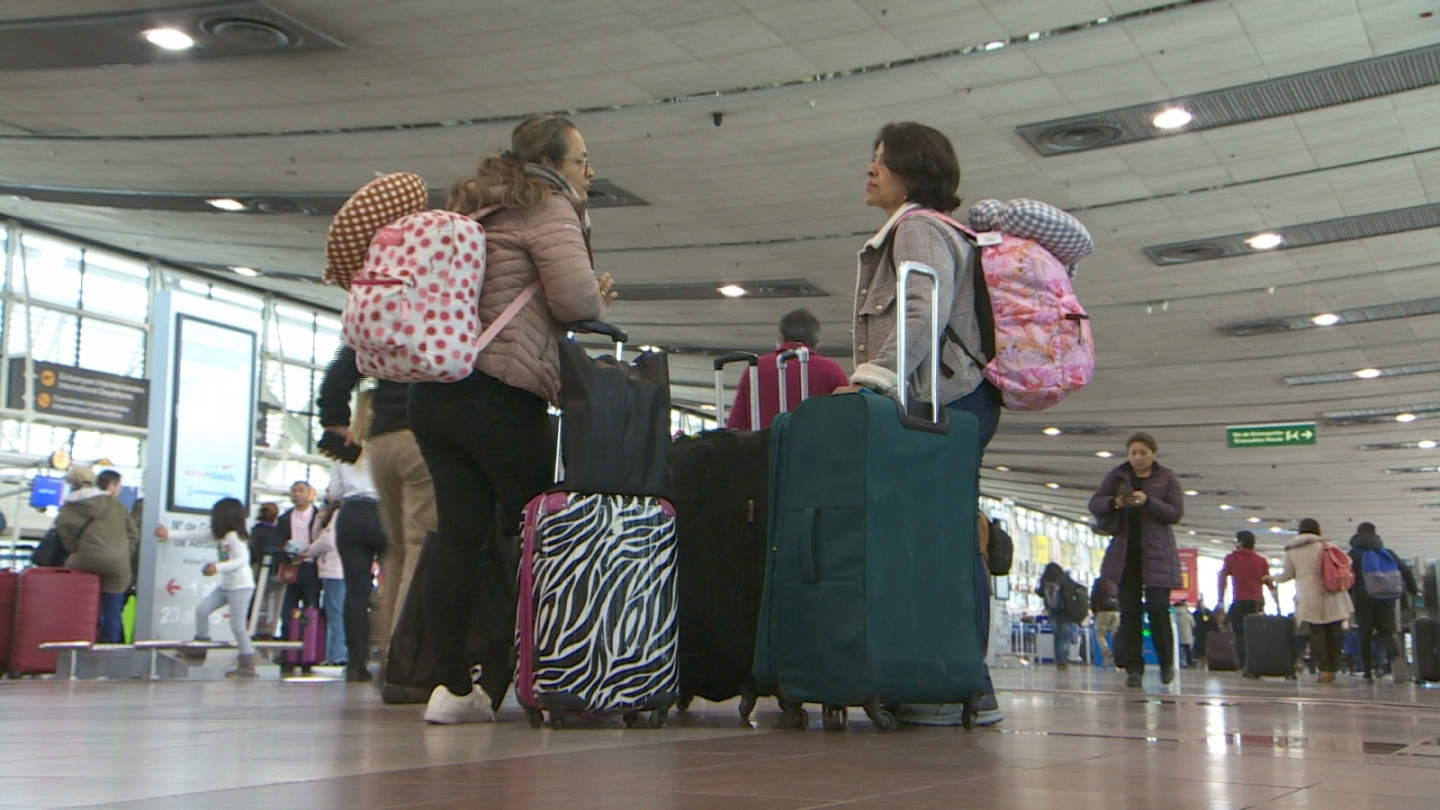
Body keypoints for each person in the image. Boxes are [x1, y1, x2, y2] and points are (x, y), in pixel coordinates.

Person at [411, 114, 613, 724]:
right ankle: (544, 675)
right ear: (551, 163)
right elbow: (575, 302)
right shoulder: (550, 207)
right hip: (498, 392)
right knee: (537, 534)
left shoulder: (476, 204)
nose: (588, 169)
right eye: (581, 158)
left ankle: (450, 689)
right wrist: (600, 293)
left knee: (458, 536)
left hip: (436, 390)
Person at [843, 122, 1003, 727]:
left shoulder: (917, 227)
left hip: (946, 401)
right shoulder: (919, 229)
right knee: (939, 533)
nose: (871, 169)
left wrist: (876, 375)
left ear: (914, 171)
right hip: (954, 399)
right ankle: (944, 674)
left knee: (945, 538)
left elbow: (922, 305)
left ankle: (966, 680)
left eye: (882, 160)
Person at [317, 347, 435, 659]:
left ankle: (382, 652)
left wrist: (333, 417)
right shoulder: (444, 304)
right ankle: (406, 656)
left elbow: (342, 365)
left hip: (382, 442)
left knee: (392, 556)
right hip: (422, 433)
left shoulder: (383, 306)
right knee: (419, 547)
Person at [1088, 432, 1184, 687]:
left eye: (1144, 452)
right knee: (1129, 611)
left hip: (1157, 554)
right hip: (1126, 554)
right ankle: (1133, 667)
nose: (1138, 458)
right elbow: (1095, 504)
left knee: (1158, 609)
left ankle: (1166, 663)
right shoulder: (1118, 476)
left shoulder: (1166, 478)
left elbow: (1175, 512)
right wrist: (1116, 502)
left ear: (1154, 453)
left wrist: (1148, 501)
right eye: (1134, 453)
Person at [155, 498, 257, 678]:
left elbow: (242, 561)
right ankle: (199, 648)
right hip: (227, 586)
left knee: (237, 626)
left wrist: (216, 567)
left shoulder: (234, 537)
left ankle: (247, 663)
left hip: (241, 587)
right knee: (202, 610)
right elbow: (195, 534)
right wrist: (169, 534)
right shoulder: (222, 535)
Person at [724, 308, 850, 430]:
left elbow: (735, 425)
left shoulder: (754, 369)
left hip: (763, 449)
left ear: (781, 338)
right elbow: (848, 421)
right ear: (816, 344)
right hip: (816, 450)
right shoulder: (832, 371)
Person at [55, 465, 138, 644]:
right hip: (117, 565)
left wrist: (81, 553)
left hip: (84, 562)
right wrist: (122, 553)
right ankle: (111, 655)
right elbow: (133, 534)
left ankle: (77, 646)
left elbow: (66, 539)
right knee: (113, 613)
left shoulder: (67, 510)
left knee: (81, 608)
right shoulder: (115, 505)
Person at [1266, 518, 1353, 684]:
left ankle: (1324, 669)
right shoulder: (1328, 546)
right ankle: (1333, 667)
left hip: (1309, 596)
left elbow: (1286, 575)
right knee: (1334, 633)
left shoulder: (1292, 551)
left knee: (1317, 633)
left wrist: (1271, 578)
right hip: (1332, 593)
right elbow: (1347, 563)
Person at [327, 456, 387, 682]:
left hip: (350, 515)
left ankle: (356, 664)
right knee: (395, 589)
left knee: (355, 593)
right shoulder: (386, 439)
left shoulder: (341, 449)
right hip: (385, 512)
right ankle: (395, 659)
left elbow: (335, 491)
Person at [1347, 521, 1418, 680]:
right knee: (1387, 632)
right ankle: (1396, 662)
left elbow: (1347, 578)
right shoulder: (1387, 552)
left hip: (1363, 600)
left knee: (1364, 635)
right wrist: (1413, 590)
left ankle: (1367, 672)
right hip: (1386, 599)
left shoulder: (1353, 554)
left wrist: (1348, 596)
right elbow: (1405, 570)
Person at [1217, 530, 1276, 671]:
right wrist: (1276, 602)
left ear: (1240, 542)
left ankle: (1244, 665)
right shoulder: (1261, 561)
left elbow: (1222, 579)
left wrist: (1220, 598)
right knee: (1255, 635)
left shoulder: (1232, 558)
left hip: (1240, 601)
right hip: (1257, 603)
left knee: (1240, 636)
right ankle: (1257, 664)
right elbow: (1269, 583)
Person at [277, 481, 322, 650]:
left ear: (310, 494)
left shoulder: (319, 516)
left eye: (301, 490)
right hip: (291, 567)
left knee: (311, 607)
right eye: (294, 490)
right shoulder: (285, 518)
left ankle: (311, 648)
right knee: (288, 609)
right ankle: (288, 648)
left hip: (311, 567)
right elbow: (277, 541)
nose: (296, 494)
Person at [302, 501, 347, 669]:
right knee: (337, 613)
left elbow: (327, 540)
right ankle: (336, 654)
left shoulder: (339, 513)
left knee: (336, 614)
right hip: (335, 571)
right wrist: (319, 519)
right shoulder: (333, 514)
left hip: (334, 571)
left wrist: (309, 551)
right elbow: (317, 536)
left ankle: (337, 656)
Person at [1037, 563, 1074, 670]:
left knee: (1057, 637)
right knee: (1065, 636)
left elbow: (1040, 592)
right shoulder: (1064, 578)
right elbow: (1072, 590)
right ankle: (1063, 660)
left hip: (1052, 612)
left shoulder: (1045, 580)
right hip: (1066, 611)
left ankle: (1059, 661)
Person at [1091, 576, 1121, 669]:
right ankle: (1118, 661)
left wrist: (1094, 611)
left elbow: (1093, 597)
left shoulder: (1099, 582)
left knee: (1100, 635)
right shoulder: (1116, 579)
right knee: (1116, 635)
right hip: (1116, 610)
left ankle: (1107, 654)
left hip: (1103, 610)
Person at [1174, 600, 1196, 668]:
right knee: (1187, 650)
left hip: (1177, 636)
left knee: (1179, 650)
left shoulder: (1174, 614)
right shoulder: (1187, 614)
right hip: (1187, 635)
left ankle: (1181, 662)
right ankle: (1189, 662)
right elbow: (1193, 624)